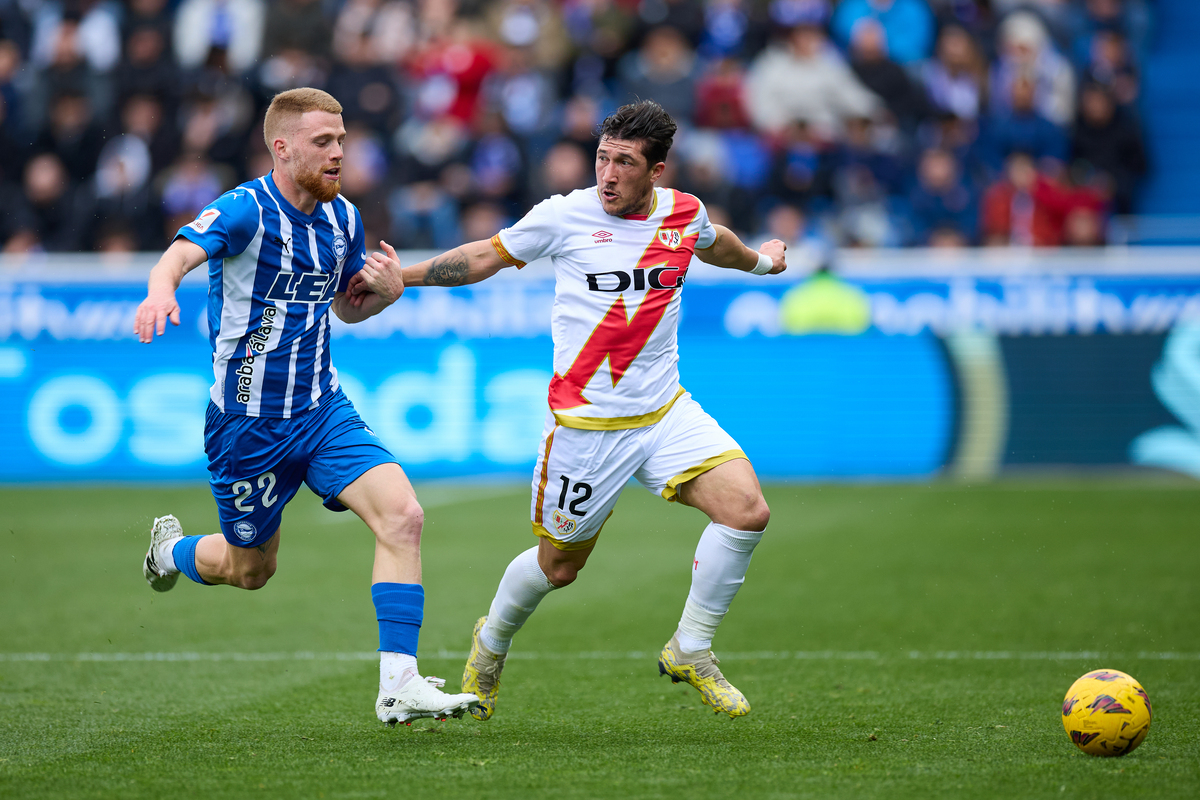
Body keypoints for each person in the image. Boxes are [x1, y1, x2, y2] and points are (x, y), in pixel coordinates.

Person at [378, 100, 786, 719]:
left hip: (665, 411)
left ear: (657, 171)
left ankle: (691, 648)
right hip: (587, 428)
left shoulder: (682, 213)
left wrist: (761, 260)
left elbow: (714, 243)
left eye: (625, 162)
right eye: (603, 158)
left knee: (747, 511)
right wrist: (402, 278)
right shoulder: (565, 216)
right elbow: (484, 256)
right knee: (559, 568)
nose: (609, 174)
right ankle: (489, 647)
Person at [133, 87, 478, 727]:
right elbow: (179, 255)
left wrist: (389, 293)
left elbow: (346, 306)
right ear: (282, 148)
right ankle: (173, 552)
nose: (339, 152)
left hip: (322, 409)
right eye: (324, 142)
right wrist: (159, 292)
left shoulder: (344, 218)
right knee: (251, 569)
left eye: (342, 140)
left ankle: (398, 683)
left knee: (403, 516)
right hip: (247, 426)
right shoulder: (244, 211)